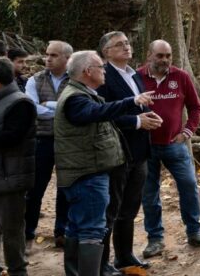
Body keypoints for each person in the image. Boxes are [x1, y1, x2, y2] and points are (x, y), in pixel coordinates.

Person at [55, 51, 153, 276]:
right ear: (88, 71)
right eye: (101, 67)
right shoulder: (76, 98)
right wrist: (132, 101)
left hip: (88, 172)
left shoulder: (83, 94)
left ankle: (76, 271)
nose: (105, 70)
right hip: (87, 174)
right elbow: (97, 112)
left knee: (78, 226)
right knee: (90, 229)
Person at [95, 32, 161, 272]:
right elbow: (103, 114)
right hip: (117, 153)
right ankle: (101, 263)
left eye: (127, 43)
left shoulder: (135, 74)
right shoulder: (103, 76)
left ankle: (124, 256)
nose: (126, 47)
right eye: (119, 45)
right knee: (111, 209)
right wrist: (136, 122)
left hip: (140, 152)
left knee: (130, 208)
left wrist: (149, 117)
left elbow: (139, 105)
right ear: (106, 52)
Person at [138, 40, 200, 258]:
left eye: (168, 56)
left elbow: (196, 107)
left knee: (189, 185)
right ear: (149, 55)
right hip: (145, 146)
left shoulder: (181, 77)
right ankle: (155, 239)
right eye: (160, 56)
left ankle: (194, 231)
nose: (165, 60)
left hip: (174, 145)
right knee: (149, 194)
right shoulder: (137, 78)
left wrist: (187, 132)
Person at [0, 57, 36, 276]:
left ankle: (17, 271)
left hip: (8, 179)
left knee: (11, 233)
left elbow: (11, 138)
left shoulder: (21, 103)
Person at [24, 41, 72, 249]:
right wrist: (62, 111)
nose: (48, 59)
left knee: (66, 186)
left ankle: (61, 231)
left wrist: (50, 106)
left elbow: (75, 107)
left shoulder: (75, 79)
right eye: (47, 55)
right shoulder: (35, 79)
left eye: (53, 55)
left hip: (68, 140)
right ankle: (27, 230)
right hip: (42, 139)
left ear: (67, 59)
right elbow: (31, 108)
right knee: (35, 187)